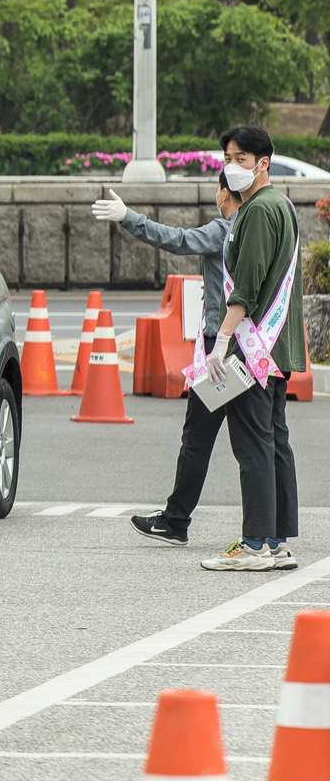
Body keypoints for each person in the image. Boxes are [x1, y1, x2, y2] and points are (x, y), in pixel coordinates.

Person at [94, 178, 296, 561]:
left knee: (213, 439)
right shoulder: (275, 221)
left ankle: (185, 523)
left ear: (224, 194)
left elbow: (178, 239)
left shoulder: (226, 229)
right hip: (265, 346)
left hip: (224, 351)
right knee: (270, 439)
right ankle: (276, 535)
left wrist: (128, 217)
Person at [195, 125, 306, 571]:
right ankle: (276, 541)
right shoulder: (284, 205)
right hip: (277, 347)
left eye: (241, 159)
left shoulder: (259, 210)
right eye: (228, 158)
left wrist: (222, 341)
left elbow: (247, 287)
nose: (232, 166)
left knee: (253, 443)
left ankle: (255, 542)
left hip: (254, 346)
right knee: (275, 440)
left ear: (263, 162)